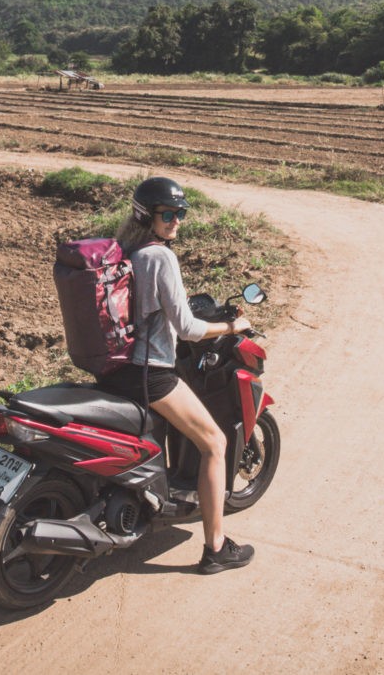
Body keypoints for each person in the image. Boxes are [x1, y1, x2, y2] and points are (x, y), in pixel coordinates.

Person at [99, 176, 255, 574]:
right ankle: (216, 549)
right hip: (151, 375)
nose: (176, 221)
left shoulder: (125, 251)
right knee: (215, 443)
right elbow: (187, 330)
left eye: (180, 214)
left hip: (116, 368)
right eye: (168, 214)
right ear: (145, 215)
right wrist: (232, 328)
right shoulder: (161, 257)